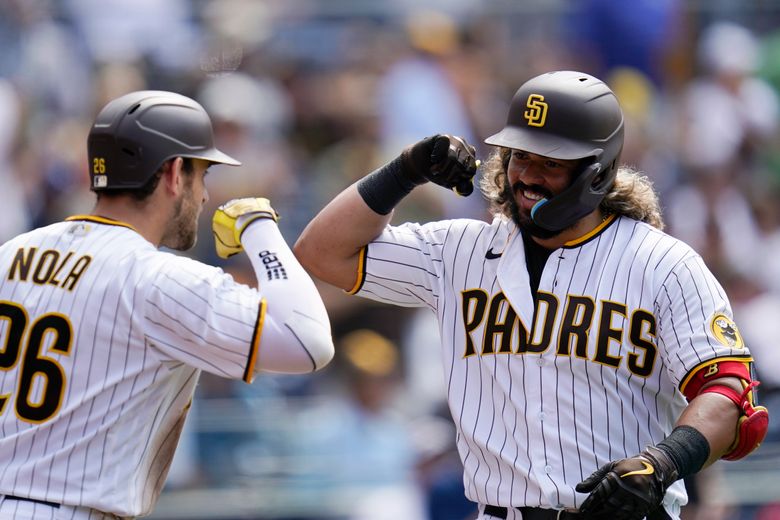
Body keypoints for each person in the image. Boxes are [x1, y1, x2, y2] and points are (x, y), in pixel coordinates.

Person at [294, 70, 769, 520]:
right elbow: (321, 252)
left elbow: (730, 395)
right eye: (520, 156)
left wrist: (663, 462)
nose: (527, 176)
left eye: (550, 162)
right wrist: (405, 170)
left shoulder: (663, 264)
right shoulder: (458, 250)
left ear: (597, 173)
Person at [0, 90, 334, 519]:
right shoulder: (156, 278)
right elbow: (308, 343)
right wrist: (259, 230)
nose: (206, 195)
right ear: (175, 173)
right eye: (203, 174)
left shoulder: (13, 252)